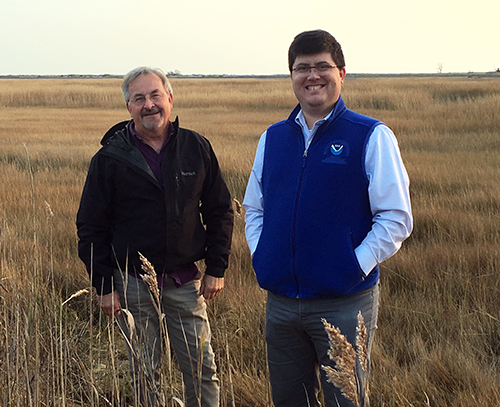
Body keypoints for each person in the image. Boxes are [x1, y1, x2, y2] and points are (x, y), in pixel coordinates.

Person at [243, 30, 413, 407]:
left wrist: (352, 264)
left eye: (323, 66)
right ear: (291, 76)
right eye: (302, 68)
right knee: (289, 400)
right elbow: (254, 208)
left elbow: (396, 218)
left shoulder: (370, 135)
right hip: (282, 302)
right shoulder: (272, 138)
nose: (312, 76)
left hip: (344, 299)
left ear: (342, 73)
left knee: (345, 401)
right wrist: (263, 253)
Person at [77, 67, 234, 407]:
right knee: (143, 370)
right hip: (131, 283)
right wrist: (104, 286)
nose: (148, 105)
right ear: (128, 107)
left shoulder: (196, 147)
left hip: (184, 281)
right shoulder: (110, 158)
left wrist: (217, 267)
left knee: (201, 369)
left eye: (154, 96)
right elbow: (91, 227)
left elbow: (220, 209)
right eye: (139, 99)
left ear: (170, 99)